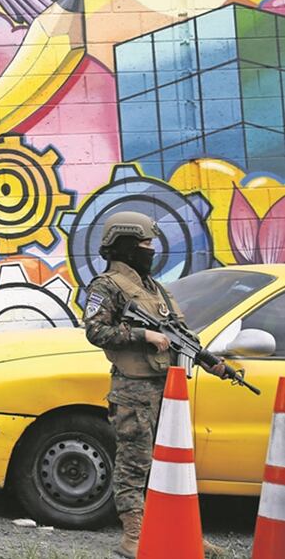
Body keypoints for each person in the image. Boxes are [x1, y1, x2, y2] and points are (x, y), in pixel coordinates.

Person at [83, 211, 226, 558]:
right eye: (145, 244)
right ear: (127, 245)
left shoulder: (153, 288)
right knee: (134, 463)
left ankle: (180, 531)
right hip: (134, 390)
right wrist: (142, 334)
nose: (150, 250)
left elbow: (178, 331)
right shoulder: (107, 286)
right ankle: (134, 536)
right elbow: (94, 330)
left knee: (173, 464)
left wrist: (210, 360)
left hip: (169, 390)